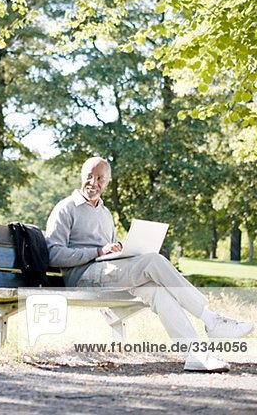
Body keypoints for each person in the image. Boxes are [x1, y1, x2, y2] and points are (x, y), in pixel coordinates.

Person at [45, 156, 254, 372]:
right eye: (90, 176)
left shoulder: (105, 213)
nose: (93, 183)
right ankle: (211, 319)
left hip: (107, 272)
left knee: (157, 291)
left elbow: (107, 250)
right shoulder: (66, 208)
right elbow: (53, 254)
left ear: (107, 182)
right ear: (82, 175)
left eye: (100, 178)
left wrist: (119, 250)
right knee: (153, 260)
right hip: (81, 278)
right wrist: (98, 251)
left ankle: (195, 355)